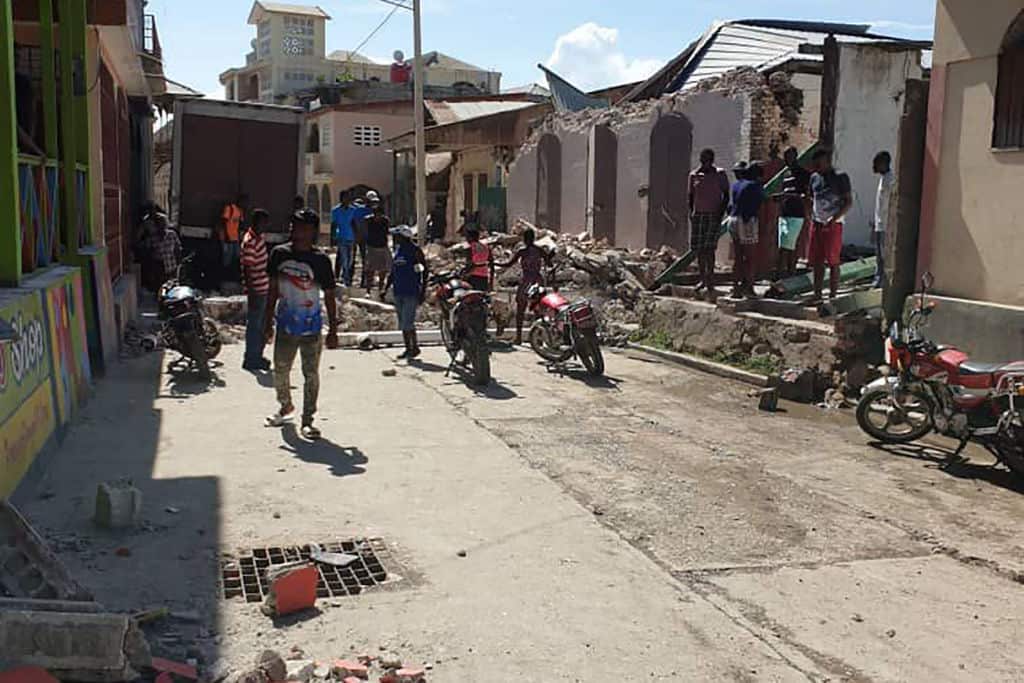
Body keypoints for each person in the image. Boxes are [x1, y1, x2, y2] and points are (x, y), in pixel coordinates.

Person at [264, 209, 339, 440]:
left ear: (313, 231)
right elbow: (273, 291)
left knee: (311, 374)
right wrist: (267, 322)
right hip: (285, 325)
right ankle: (285, 405)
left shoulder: (321, 261)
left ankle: (308, 420)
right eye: (294, 226)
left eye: (303, 228)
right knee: (280, 372)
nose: (296, 231)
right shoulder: (279, 254)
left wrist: (333, 330)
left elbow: (329, 296)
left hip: (312, 327)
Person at [809, 148, 852, 301]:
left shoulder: (840, 177)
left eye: (819, 165)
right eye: (814, 165)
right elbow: (811, 198)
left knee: (833, 261)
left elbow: (848, 202)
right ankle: (817, 294)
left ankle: (833, 295)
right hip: (817, 224)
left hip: (834, 225)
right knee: (817, 261)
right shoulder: (814, 178)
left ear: (827, 162)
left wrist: (834, 219)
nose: (816, 168)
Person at [687, 148, 730, 297]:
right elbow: (690, 196)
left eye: (709, 160)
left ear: (712, 160)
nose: (706, 163)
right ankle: (702, 279)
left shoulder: (720, 174)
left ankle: (710, 279)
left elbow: (726, 195)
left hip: (713, 215)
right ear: (700, 160)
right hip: (699, 215)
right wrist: (691, 213)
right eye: (704, 160)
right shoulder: (694, 175)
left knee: (710, 248)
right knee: (699, 249)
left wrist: (720, 212)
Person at [498, 227, 552, 345]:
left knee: (521, 309)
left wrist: (495, 263)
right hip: (538, 280)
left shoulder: (522, 251)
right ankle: (540, 338)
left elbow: (508, 264)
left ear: (524, 239)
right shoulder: (539, 250)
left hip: (526, 281)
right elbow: (549, 263)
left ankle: (518, 337)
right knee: (538, 309)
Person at [384, 225, 428, 359]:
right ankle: (409, 348)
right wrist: (385, 288)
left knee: (408, 322)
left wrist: (423, 290)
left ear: (403, 237)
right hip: (398, 290)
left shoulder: (414, 250)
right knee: (403, 321)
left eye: (397, 236)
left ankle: (414, 347)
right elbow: (393, 271)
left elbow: (424, 270)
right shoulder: (398, 251)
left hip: (411, 290)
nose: (394, 238)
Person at [727, 162, 764, 298]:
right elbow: (760, 202)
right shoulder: (754, 186)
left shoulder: (736, 185)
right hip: (747, 220)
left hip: (733, 219)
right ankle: (749, 289)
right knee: (750, 257)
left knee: (738, 257)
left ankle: (736, 288)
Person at [772, 146, 810, 278]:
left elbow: (806, 195)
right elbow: (786, 192)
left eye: (790, 156)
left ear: (795, 156)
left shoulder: (803, 173)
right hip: (784, 213)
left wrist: (788, 197)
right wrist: (779, 197)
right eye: (786, 156)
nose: (787, 159)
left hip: (796, 214)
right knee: (782, 245)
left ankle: (789, 275)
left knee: (789, 246)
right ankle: (781, 275)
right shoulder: (786, 174)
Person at [240, 208, 271, 371]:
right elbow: (247, 269)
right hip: (257, 289)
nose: (264, 226)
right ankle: (251, 358)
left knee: (261, 324)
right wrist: (251, 292)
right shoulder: (250, 241)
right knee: (254, 325)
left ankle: (256, 355)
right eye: (262, 223)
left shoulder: (259, 238)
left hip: (263, 286)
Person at [872, 151, 894, 288]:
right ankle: (878, 281)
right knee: (879, 257)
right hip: (880, 224)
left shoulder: (890, 180)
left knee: (883, 257)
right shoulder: (883, 178)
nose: (873, 166)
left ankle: (880, 284)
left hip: (886, 225)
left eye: (876, 163)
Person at [363, 192, 391, 297]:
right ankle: (368, 290)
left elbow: (387, 232)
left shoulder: (385, 221)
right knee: (370, 270)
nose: (377, 216)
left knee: (382, 270)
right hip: (372, 247)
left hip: (382, 246)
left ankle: (380, 289)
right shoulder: (368, 220)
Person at [144, 211, 182, 286]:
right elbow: (149, 253)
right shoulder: (152, 238)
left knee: (172, 288)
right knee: (160, 289)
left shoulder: (172, 234)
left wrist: (178, 265)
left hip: (171, 267)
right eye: (159, 224)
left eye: (163, 224)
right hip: (158, 269)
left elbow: (178, 249)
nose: (161, 226)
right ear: (156, 226)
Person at [331, 192, 357, 285]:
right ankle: (346, 279)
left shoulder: (353, 210)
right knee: (344, 259)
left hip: (351, 238)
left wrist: (357, 237)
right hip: (341, 238)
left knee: (350, 260)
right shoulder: (335, 211)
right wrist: (332, 239)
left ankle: (347, 276)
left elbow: (354, 224)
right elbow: (333, 225)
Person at [220, 193, 247, 281]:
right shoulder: (230, 208)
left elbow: (240, 225)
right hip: (228, 239)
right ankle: (224, 278)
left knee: (236, 260)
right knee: (226, 261)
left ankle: (231, 278)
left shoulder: (240, 211)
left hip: (235, 239)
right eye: (243, 201)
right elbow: (224, 222)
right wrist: (226, 236)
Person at [464, 227, 492, 292]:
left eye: (467, 237)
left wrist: (465, 274)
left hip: (474, 275)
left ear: (471, 237)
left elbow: (470, 263)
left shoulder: (470, 247)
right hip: (484, 274)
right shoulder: (485, 247)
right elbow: (490, 261)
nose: (466, 239)